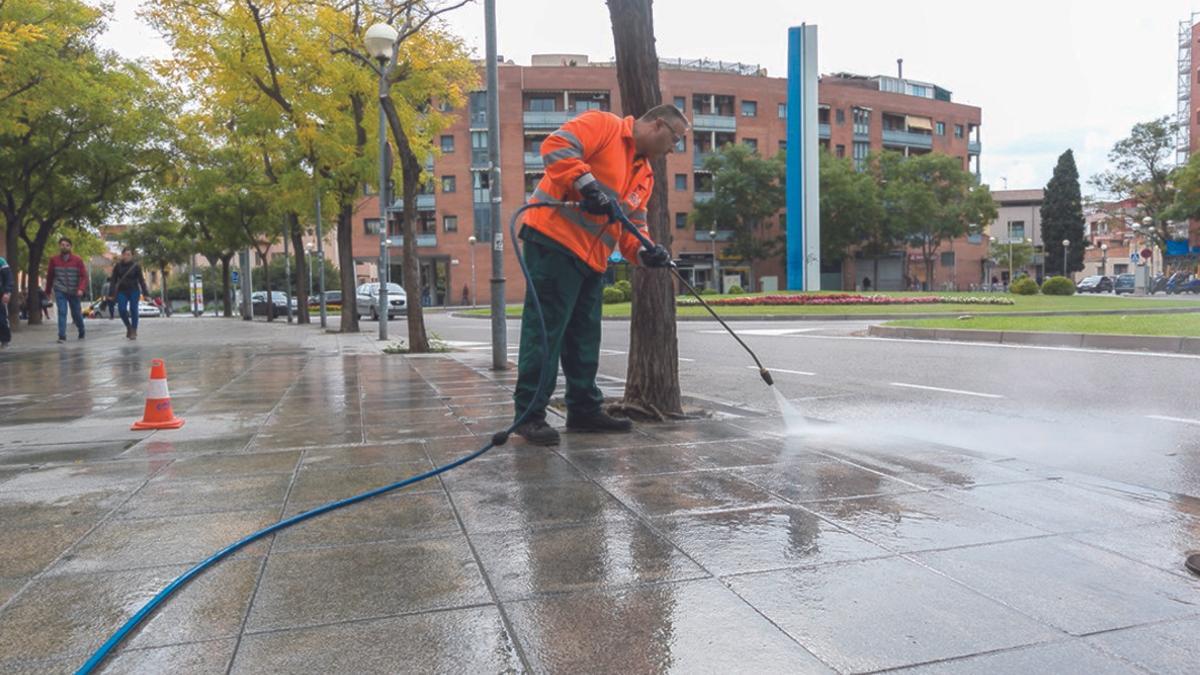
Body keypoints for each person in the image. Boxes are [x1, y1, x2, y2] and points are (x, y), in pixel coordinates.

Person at [512, 104, 684, 446]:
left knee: (584, 337)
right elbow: (556, 146)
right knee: (546, 332)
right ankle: (529, 416)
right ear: (658, 125)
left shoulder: (645, 174)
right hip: (553, 243)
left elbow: (632, 224)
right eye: (675, 139)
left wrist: (647, 251)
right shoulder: (604, 125)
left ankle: (583, 410)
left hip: (593, 258)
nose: (673, 149)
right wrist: (587, 185)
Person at [44, 236, 88, 343]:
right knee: (62, 312)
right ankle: (62, 336)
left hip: (74, 291)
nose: (64, 247)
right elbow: (50, 276)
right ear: (59, 246)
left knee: (76, 313)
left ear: (70, 247)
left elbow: (84, 276)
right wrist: (48, 291)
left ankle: (81, 330)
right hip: (60, 290)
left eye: (67, 245)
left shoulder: (78, 260)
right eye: (62, 245)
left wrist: (81, 289)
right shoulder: (54, 260)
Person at [109, 248, 151, 340]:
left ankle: (134, 330)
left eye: (129, 255)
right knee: (122, 309)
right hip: (122, 291)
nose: (127, 256)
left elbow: (141, 281)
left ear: (132, 256)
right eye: (125, 254)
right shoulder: (118, 266)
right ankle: (128, 326)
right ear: (122, 255)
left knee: (133, 309)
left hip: (134, 291)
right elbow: (113, 281)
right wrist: (111, 293)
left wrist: (146, 293)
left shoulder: (136, 266)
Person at [0, 254, 13, 348]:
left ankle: (4, 339)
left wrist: (7, 292)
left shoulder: (1, 261)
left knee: (2, 319)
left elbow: (8, 278)